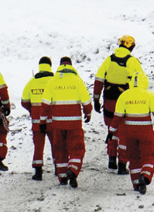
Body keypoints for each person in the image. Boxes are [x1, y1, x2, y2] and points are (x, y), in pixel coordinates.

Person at [93, 36, 145, 175]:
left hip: (109, 100)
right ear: (131, 47)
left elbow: (99, 80)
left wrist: (96, 99)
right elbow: (141, 82)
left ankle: (111, 157)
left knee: (112, 128)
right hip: (126, 102)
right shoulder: (133, 62)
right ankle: (122, 164)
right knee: (124, 133)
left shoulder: (109, 60)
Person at [43, 57, 92, 188]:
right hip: (74, 123)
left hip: (57, 124)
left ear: (59, 66)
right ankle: (73, 170)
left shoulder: (52, 82)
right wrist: (88, 113)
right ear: (71, 65)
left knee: (60, 149)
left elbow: (45, 104)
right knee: (77, 148)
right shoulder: (77, 81)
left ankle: (63, 177)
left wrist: (42, 120)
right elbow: (87, 102)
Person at [114, 72, 154, 195]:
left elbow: (117, 117)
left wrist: (111, 131)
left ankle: (137, 183)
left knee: (134, 157)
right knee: (149, 154)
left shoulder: (124, 95)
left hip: (129, 132)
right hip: (145, 131)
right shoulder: (149, 95)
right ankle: (145, 175)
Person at [20, 57, 57, 181]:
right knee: (56, 144)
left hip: (36, 121)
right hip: (52, 120)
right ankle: (59, 167)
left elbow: (24, 101)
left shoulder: (31, 82)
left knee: (38, 146)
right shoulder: (54, 81)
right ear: (50, 66)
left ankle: (38, 171)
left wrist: (32, 110)